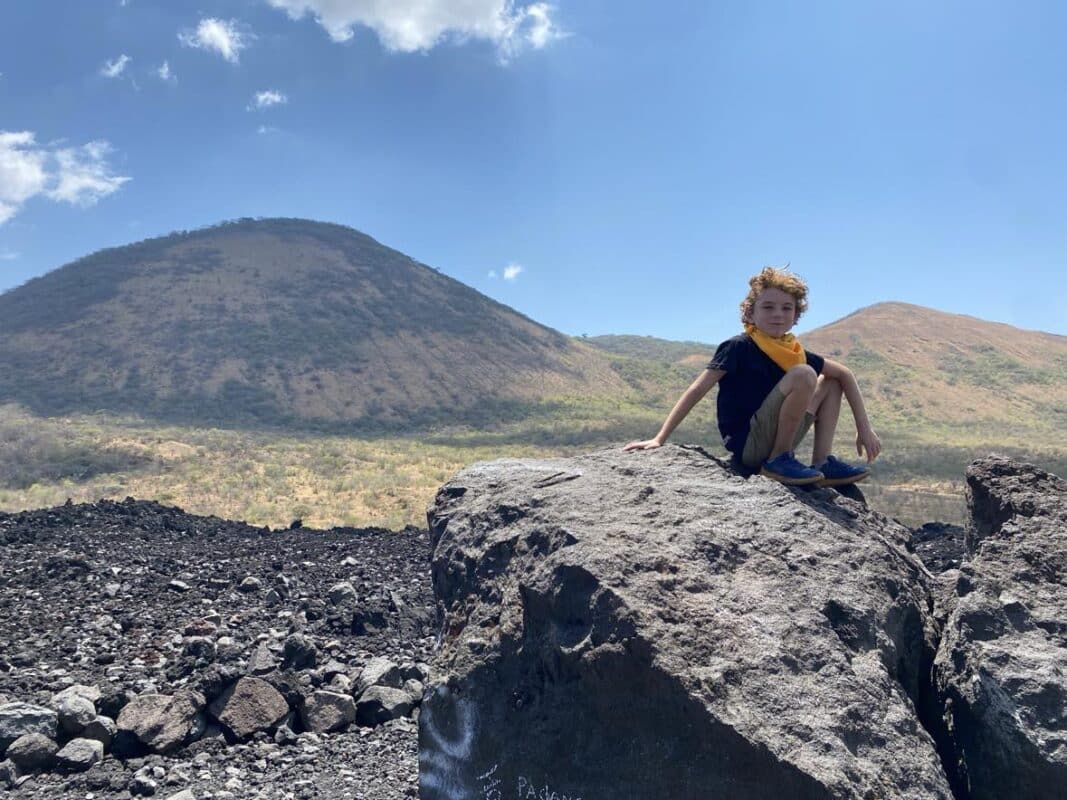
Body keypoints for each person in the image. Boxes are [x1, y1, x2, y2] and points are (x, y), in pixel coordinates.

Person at [623, 266, 881, 486]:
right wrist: (660, 438)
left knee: (832, 380)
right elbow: (697, 390)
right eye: (768, 307)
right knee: (804, 373)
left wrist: (864, 429)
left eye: (786, 308)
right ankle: (778, 461)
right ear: (750, 312)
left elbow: (846, 374)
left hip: (769, 434)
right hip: (748, 444)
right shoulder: (738, 347)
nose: (777, 314)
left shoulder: (793, 351)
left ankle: (822, 461)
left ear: (795, 316)